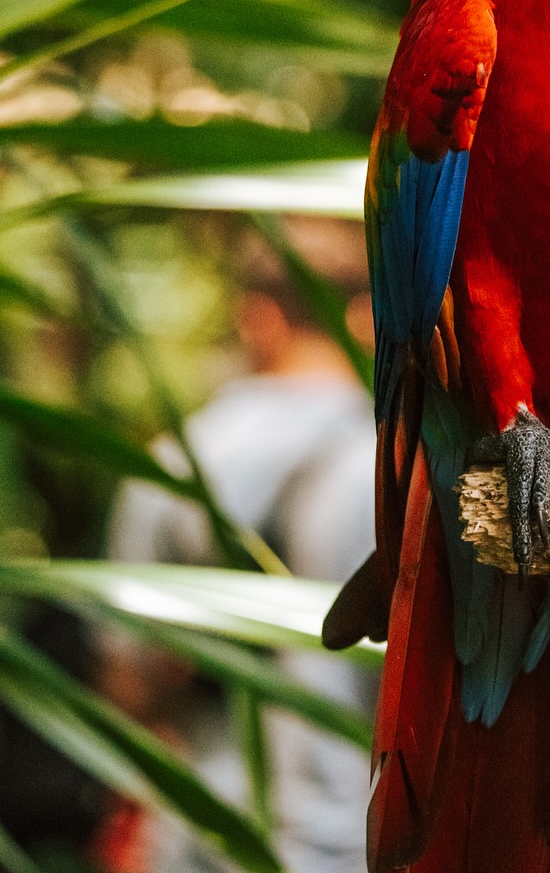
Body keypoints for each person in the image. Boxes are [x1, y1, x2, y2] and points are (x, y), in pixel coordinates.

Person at [103, 219, 376, 873]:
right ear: (366, 317)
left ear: (258, 317)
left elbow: (128, 687)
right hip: (361, 842)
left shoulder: (173, 463)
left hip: (202, 839)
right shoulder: (407, 472)